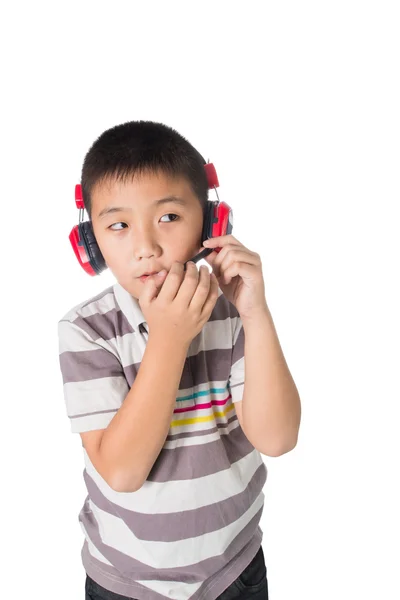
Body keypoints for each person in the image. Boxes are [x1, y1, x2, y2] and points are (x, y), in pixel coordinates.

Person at [57, 120, 301, 600]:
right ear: (92, 244)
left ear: (212, 225)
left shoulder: (234, 313)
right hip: (125, 581)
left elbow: (277, 439)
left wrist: (256, 313)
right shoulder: (87, 330)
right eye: (119, 225)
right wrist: (168, 340)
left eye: (168, 217)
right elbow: (123, 473)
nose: (145, 246)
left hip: (233, 569)